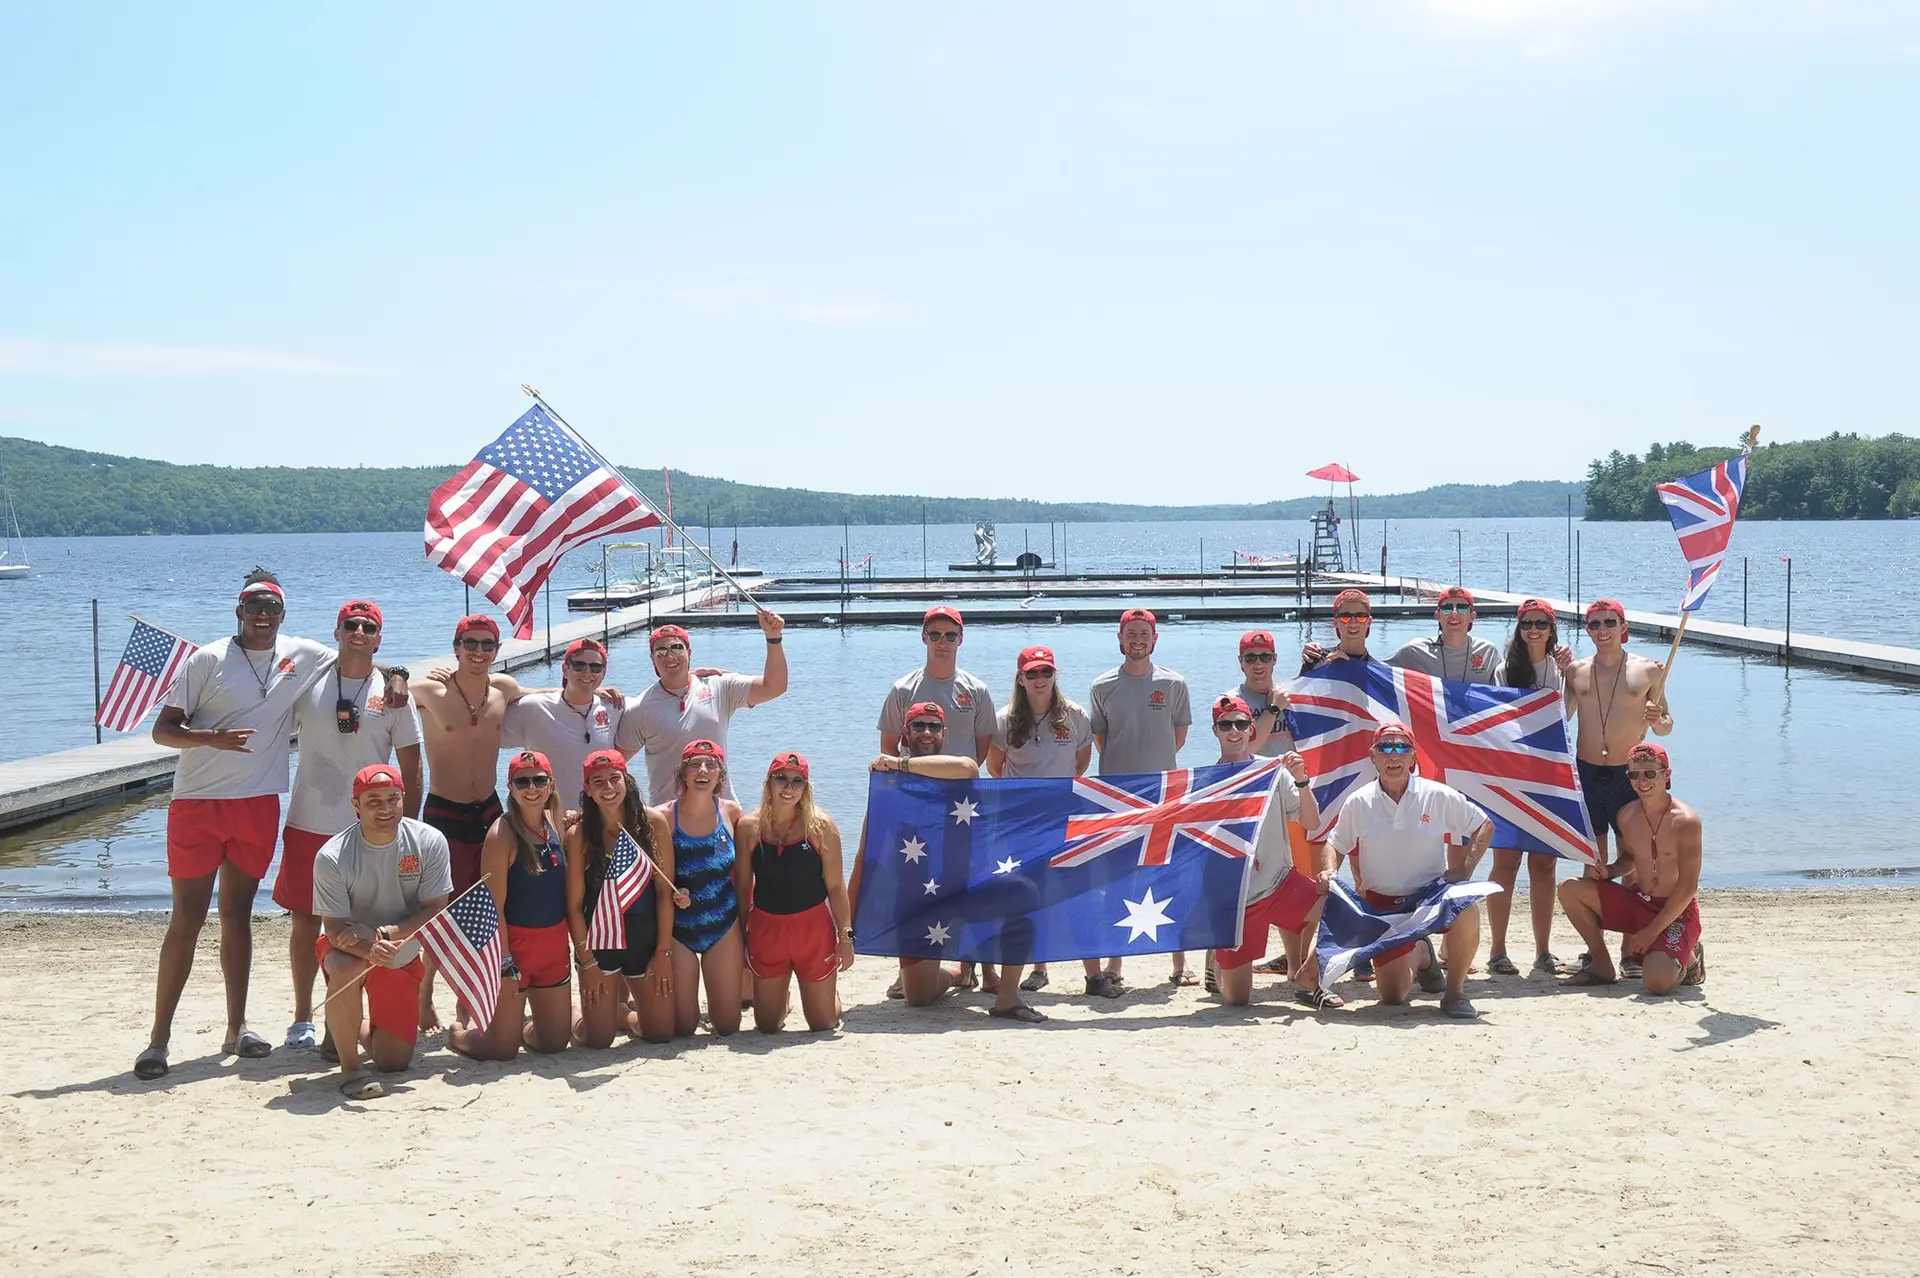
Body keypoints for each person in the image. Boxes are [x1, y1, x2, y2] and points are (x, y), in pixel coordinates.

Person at [135, 571, 337, 1080]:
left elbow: (358, 660)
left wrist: (399, 675)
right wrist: (209, 739)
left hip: (257, 803)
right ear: (239, 611)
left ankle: (237, 1027)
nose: (263, 614)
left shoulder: (303, 654)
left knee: (238, 917)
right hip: (198, 802)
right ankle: (158, 1041)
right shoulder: (206, 659)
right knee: (186, 920)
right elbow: (164, 731)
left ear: (283, 613)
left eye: (271, 606)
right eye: (254, 606)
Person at [275, 599, 419, 1054]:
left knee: (368, 926)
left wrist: (406, 827)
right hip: (309, 820)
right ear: (336, 632)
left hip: (372, 828)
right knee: (305, 923)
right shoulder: (308, 681)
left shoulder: (394, 694)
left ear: (380, 638)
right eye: (350, 625)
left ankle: (359, 1016)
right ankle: (303, 1018)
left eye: (368, 627)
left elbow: (413, 768)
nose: (358, 632)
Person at [1325, 722, 1495, 1020]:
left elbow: (1484, 824)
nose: (1394, 755)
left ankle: (1455, 993)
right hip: (1382, 907)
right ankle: (1423, 954)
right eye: (1385, 748)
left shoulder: (1436, 794)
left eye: (1401, 747)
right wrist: (1329, 871)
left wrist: (1464, 868)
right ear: (1372, 757)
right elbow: (1335, 843)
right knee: (1392, 997)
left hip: (1430, 897)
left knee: (1467, 909)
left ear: (1413, 756)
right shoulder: (1359, 801)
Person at [312, 764, 453, 1100]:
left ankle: (343, 1024)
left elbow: (436, 908)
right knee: (345, 968)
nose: (385, 808)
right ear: (355, 805)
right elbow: (333, 929)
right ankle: (351, 1068)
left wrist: (386, 936)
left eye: (393, 798)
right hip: (348, 948)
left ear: (404, 798)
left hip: (398, 951)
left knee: (394, 1062)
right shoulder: (331, 856)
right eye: (373, 801)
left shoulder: (429, 841)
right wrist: (368, 949)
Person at [407, 614, 515, 1028]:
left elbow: (551, 694)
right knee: (437, 910)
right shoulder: (429, 690)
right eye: (470, 643)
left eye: (488, 645)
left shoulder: (503, 688)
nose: (479, 652)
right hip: (445, 811)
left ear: (497, 651)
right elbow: (378, 683)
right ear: (455, 648)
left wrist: (605, 693)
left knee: (487, 906)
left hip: (489, 809)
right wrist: (401, 672)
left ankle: (468, 998)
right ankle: (424, 992)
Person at [1564, 598, 1675, 978]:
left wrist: (1658, 718)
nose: (1602, 630)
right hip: (1588, 773)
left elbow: (1667, 727)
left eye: (1609, 622)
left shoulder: (1648, 670)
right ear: (1587, 630)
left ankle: (1631, 949)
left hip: (1631, 778)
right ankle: (1594, 951)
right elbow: (1556, 718)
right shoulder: (1576, 672)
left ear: (1622, 625)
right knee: (1593, 862)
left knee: (1635, 863)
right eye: (1593, 625)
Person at [1203, 696, 1338, 1010]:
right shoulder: (1205, 782)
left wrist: (1302, 780)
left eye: (1241, 723)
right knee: (1237, 1000)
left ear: (1252, 728)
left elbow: (1312, 821)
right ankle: (1218, 963)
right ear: (1215, 730)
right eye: (1226, 725)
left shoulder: (1272, 772)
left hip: (1279, 883)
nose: (1234, 731)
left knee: (1340, 909)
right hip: (1237, 898)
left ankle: (1307, 974)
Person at [848, 702, 982, 1006]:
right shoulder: (890, 785)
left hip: (962, 891)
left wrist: (898, 763)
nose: (926, 732)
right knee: (918, 997)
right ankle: (958, 972)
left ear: (944, 733)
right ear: (905, 734)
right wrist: (845, 925)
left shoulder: (954, 774)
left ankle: (985, 968)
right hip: (916, 898)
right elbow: (864, 857)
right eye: (918, 726)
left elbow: (969, 768)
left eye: (934, 726)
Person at [1089, 607, 1193, 990]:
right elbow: (1101, 741)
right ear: (1119, 639)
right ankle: (1115, 965)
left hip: (1163, 796)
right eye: (1130, 633)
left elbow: (1178, 738)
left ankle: (1180, 963)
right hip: (1117, 797)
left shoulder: (1173, 683)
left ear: (1154, 639)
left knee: (1167, 876)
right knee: (1120, 881)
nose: (1137, 640)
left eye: (1143, 633)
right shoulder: (1102, 686)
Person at [449, 750, 574, 1060]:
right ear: (511, 788)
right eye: (522, 782)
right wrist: (505, 965)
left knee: (554, 1044)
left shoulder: (555, 822)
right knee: (500, 1050)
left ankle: (520, 1024)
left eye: (539, 780)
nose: (531, 788)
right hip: (514, 950)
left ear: (551, 785)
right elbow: (493, 909)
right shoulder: (500, 834)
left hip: (554, 947)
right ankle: (458, 1029)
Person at [985, 645, 1092, 1004]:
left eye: (1046, 672)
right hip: (1019, 823)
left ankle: (1092, 975)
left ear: (1055, 675)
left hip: (1063, 817)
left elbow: (1081, 763)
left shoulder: (1075, 715)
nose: (1040, 679)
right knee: (1028, 895)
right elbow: (995, 767)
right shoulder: (1004, 719)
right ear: (1020, 678)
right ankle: (1038, 968)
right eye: (1032, 673)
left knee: (1072, 893)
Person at [1558, 744, 1705, 994]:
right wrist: (1611, 871)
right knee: (1570, 889)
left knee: (1656, 983)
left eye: (1649, 774)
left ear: (1666, 775)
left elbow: (1688, 886)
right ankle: (1601, 964)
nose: (1642, 781)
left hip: (1675, 912)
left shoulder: (1686, 820)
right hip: (1639, 902)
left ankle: (1690, 958)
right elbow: (1631, 856)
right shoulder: (1626, 815)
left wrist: (1651, 932)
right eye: (1634, 775)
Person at [1484, 598, 1576, 978]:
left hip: (1552, 775)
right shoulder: (1505, 670)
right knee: (1504, 863)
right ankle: (1498, 950)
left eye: (1541, 623)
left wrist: (1571, 674)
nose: (1534, 630)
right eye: (1527, 624)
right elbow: (1500, 719)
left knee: (1544, 865)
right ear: (1519, 630)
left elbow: (1568, 712)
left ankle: (1542, 952)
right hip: (1511, 773)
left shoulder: (1565, 668)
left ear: (1552, 628)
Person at [565, 749, 678, 1047]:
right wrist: (586, 962)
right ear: (587, 790)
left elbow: (665, 893)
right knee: (597, 1041)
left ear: (627, 780)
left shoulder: (653, 823)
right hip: (599, 943)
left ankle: (622, 1016)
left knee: (660, 1034)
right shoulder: (580, 835)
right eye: (598, 782)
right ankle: (574, 1015)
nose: (608, 788)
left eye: (615, 778)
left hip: (645, 942)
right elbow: (574, 907)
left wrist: (663, 953)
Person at [735, 752, 854, 1032]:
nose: (788, 788)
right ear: (769, 783)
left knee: (823, 1023)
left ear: (806, 788)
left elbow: (837, 887)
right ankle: (783, 998)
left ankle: (829, 995)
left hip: (812, 930)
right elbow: (742, 888)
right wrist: (741, 939)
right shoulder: (748, 827)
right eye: (781, 779)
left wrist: (846, 938)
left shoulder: (821, 826)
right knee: (767, 1025)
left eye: (797, 782)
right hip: (767, 929)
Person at [616, 610, 788, 804]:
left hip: (722, 812)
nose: (669, 656)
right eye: (661, 651)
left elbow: (774, 687)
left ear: (689, 653)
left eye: (677, 648)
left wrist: (773, 638)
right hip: (667, 819)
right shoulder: (639, 708)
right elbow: (614, 764)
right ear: (652, 659)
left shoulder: (719, 686)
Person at [663, 739, 748, 1036]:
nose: (702, 770)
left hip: (724, 925)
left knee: (727, 1026)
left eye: (711, 765)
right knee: (683, 1029)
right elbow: (653, 875)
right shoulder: (663, 816)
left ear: (720, 775)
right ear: (682, 773)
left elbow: (748, 871)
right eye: (694, 764)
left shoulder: (733, 813)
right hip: (679, 930)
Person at [500, 637, 624, 812]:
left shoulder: (615, 707)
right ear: (565, 669)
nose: (588, 673)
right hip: (547, 819)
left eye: (595, 667)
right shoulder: (533, 707)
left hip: (598, 818)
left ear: (604, 673)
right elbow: (488, 698)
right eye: (579, 666)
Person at [877, 606, 996, 764]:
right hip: (915, 784)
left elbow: (982, 750)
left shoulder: (978, 691)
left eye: (950, 636)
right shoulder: (902, 690)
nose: (942, 642)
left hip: (961, 784)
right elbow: (888, 747)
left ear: (960, 639)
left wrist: (955, 775)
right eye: (935, 635)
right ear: (924, 638)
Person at [1386, 586, 1502, 683]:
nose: (1454, 613)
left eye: (1462, 608)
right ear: (1437, 615)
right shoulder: (1415, 651)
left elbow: (1508, 685)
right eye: (1447, 608)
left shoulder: (1488, 652)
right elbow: (1376, 672)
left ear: (1472, 616)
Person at [1299, 588, 1376, 673]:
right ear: (1335, 622)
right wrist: (1325, 671)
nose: (1353, 623)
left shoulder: (1380, 673)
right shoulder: (1315, 659)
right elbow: (1297, 685)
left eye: (1360, 617)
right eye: (1345, 617)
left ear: (1369, 622)